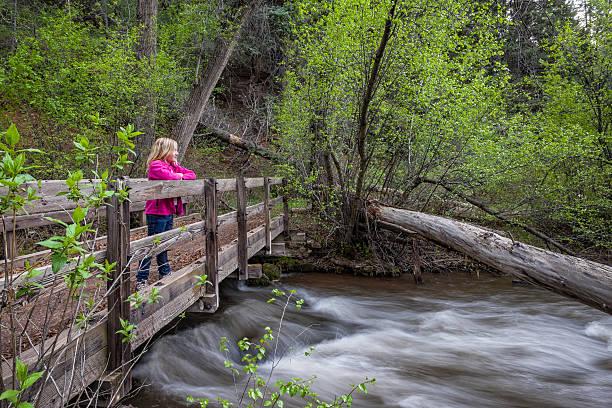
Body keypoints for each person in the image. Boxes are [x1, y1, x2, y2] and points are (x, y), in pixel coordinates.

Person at [136, 138, 196, 291]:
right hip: (156, 212)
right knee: (152, 245)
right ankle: (141, 279)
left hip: (167, 211)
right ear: (165, 151)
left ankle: (165, 271)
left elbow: (192, 174)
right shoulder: (155, 165)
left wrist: (178, 172)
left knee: (164, 243)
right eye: (174, 150)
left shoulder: (171, 166)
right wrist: (177, 174)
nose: (177, 153)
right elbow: (169, 177)